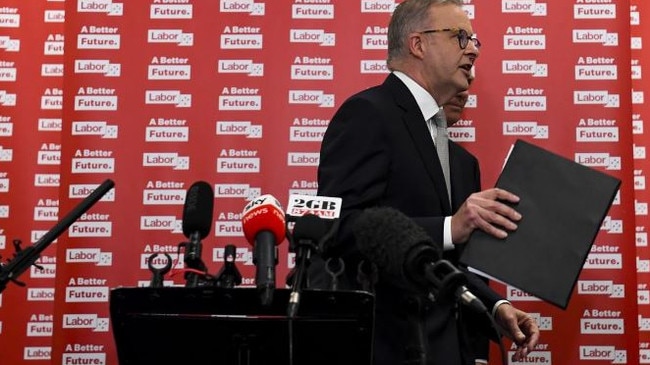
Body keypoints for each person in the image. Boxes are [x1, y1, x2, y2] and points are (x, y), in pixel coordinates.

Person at [310, 0, 540, 364]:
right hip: (388, 345)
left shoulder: (456, 155)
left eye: (475, 40)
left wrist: (494, 305)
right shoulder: (369, 114)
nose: (474, 49)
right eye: (461, 37)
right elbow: (339, 229)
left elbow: (449, 264)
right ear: (418, 44)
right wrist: (451, 226)